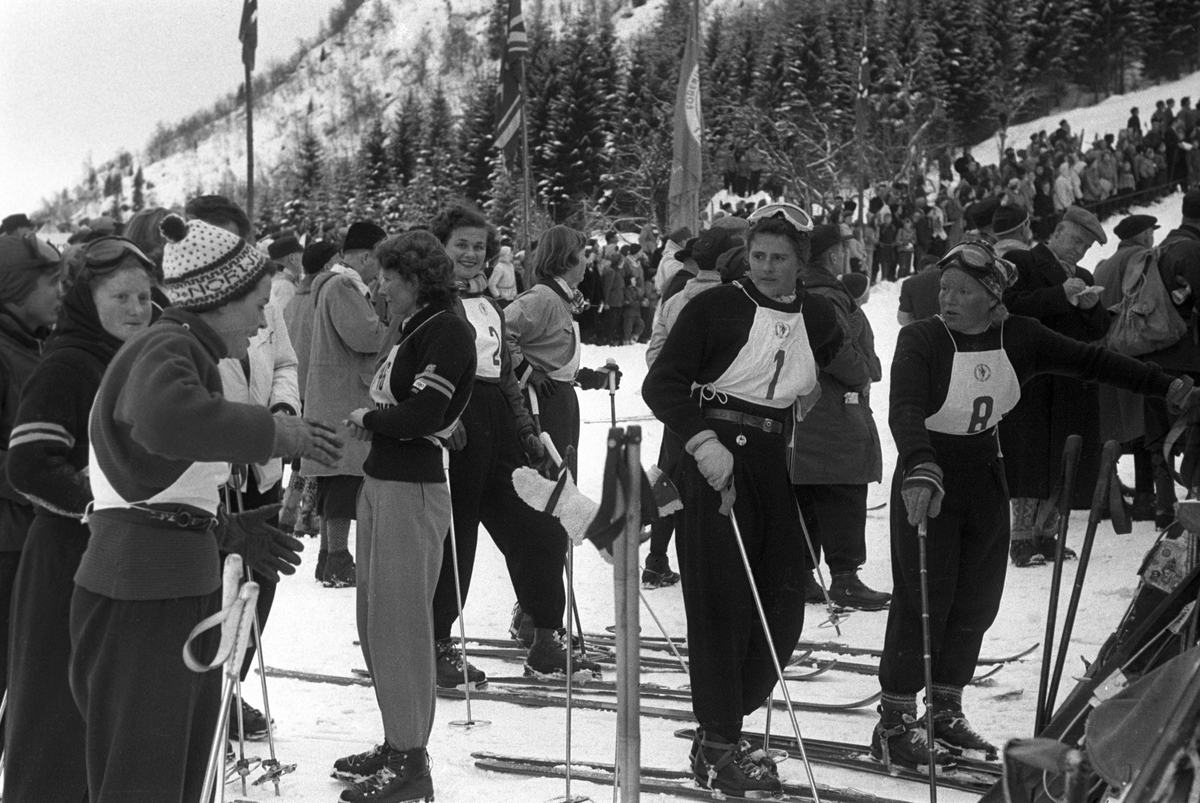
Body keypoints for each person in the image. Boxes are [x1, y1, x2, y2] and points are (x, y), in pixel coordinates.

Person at [876, 239, 1196, 770]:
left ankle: (945, 711)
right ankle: (894, 723)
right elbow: (905, 408)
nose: (947, 300)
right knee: (924, 596)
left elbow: (1092, 361)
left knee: (977, 598)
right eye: (945, 289)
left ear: (993, 297)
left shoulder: (1018, 336)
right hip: (928, 474)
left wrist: (1168, 388)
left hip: (983, 473)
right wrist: (920, 465)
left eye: (962, 291)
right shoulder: (921, 339)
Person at [70, 214, 341, 803]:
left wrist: (219, 529)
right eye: (259, 303)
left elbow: (152, 485)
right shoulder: (169, 345)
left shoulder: (181, 349)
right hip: (144, 591)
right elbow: (166, 422)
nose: (263, 319)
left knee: (172, 771)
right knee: (146, 776)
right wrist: (276, 433)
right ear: (219, 300)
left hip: (159, 581)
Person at [643, 204, 844, 798]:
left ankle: (729, 716)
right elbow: (662, 383)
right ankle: (719, 744)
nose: (766, 268)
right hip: (713, 458)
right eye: (758, 256)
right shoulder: (716, 305)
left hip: (770, 462)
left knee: (783, 601)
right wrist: (702, 443)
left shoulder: (816, 312)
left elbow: (834, 363)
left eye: (779, 259)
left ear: (801, 262)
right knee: (721, 605)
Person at [3, 236, 155, 803]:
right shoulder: (67, 363)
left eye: (144, 295)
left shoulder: (127, 357)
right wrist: (101, 505)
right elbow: (29, 463)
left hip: (108, 556)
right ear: (85, 299)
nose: (138, 309)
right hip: (65, 557)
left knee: (95, 708)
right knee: (53, 710)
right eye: (122, 297)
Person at [331, 231, 476, 803]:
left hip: (411, 488)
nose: (380, 287)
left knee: (400, 626)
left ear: (414, 280)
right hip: (383, 479)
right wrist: (379, 420)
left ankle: (412, 760)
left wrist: (372, 415)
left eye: (388, 277)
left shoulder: (446, 328)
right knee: (375, 621)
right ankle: (397, 740)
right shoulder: (415, 325)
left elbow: (426, 411)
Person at [425, 206, 580, 685]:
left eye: (478, 247)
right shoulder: (431, 303)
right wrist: (439, 420)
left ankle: (545, 635)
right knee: (459, 539)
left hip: (499, 421)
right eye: (461, 246)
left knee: (539, 524)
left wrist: (527, 434)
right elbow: (401, 366)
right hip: (458, 421)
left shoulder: (491, 304)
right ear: (441, 249)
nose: (471, 255)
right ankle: (436, 642)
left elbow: (508, 377)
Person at [503, 226, 620, 663]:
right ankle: (536, 615)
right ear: (565, 258)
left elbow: (555, 356)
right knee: (548, 509)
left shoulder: (560, 297)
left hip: (558, 405)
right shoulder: (543, 298)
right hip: (540, 412)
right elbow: (500, 330)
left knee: (556, 504)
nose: (588, 262)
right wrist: (528, 372)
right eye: (581, 255)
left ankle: (535, 613)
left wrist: (586, 377)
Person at [1001, 206, 1110, 566]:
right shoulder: (1021, 262)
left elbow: (1095, 332)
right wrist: (1060, 294)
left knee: (1064, 458)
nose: (1079, 251)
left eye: (1086, 247)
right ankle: (1020, 539)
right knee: (1029, 459)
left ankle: (1046, 535)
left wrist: (1093, 308)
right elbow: (1010, 308)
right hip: (1032, 383)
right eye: (1076, 241)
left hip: (1069, 384)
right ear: (1059, 230)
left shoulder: (1083, 274)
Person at [790, 225, 890, 611]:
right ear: (833, 257)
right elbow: (838, 350)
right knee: (843, 490)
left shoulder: (802, 290)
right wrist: (865, 372)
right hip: (833, 409)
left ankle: (802, 576)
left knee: (808, 494)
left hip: (808, 412)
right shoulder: (827, 295)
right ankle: (844, 578)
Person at [643, 227, 743, 587]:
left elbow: (655, 355)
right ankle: (713, 566)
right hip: (721, 408)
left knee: (670, 478)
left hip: (678, 408)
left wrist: (677, 388)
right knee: (716, 483)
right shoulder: (735, 299)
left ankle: (656, 558)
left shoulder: (673, 300)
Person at [0, 233, 65, 739]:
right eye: (51, 282)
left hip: (29, 536)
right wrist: (44, 477)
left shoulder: (35, 343)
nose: (61, 292)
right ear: (15, 288)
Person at [303, 221, 390, 586]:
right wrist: (395, 327)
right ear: (367, 255)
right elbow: (366, 336)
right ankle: (337, 559)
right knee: (341, 483)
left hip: (335, 392)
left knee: (334, 480)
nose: (382, 268)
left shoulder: (336, 284)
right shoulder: (343, 286)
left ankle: (329, 558)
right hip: (343, 396)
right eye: (380, 259)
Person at [1093, 215, 1161, 521]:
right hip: (1132, 350)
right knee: (1144, 425)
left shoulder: (1104, 264)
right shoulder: (1140, 257)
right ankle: (1147, 496)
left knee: (1116, 429)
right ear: (1145, 235)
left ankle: (1108, 494)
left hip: (1104, 354)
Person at [1140, 191, 1200, 526]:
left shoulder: (1160, 248)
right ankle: (1193, 504)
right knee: (1194, 434)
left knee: (1159, 435)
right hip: (1189, 358)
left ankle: (1165, 506)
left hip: (1154, 355)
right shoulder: (1192, 250)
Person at [897, 255, 942, 325]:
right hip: (951, 331)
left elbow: (903, 319)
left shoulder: (909, 283)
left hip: (923, 330)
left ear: (919, 271)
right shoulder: (951, 278)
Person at [268, 233, 305, 310]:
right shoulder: (285, 286)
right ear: (292, 258)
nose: (303, 260)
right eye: (301, 255)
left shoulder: (275, 278)